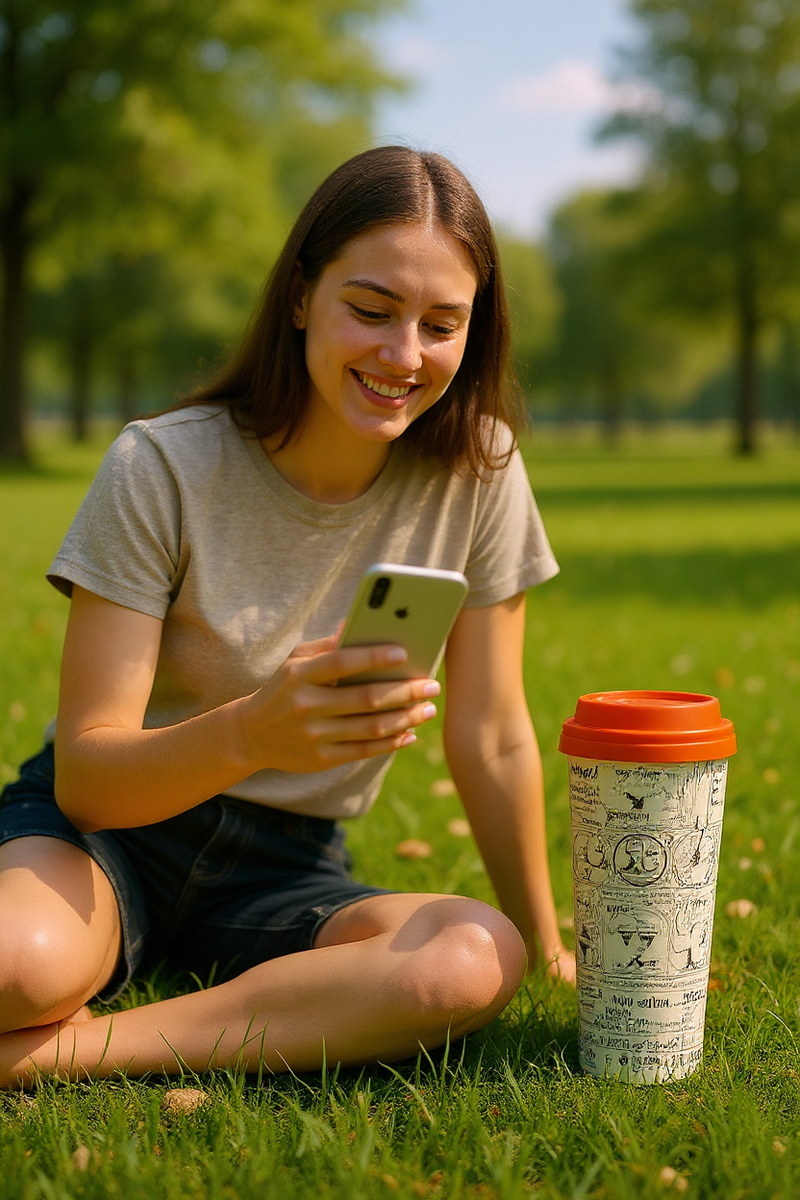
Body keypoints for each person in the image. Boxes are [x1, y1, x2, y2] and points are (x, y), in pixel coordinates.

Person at [0, 146, 576, 1088]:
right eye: (371, 309)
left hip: (288, 869)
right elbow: (90, 781)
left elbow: (494, 734)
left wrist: (546, 944)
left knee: (471, 957)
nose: (403, 356)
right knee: (18, 967)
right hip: (110, 833)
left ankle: (62, 1056)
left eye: (442, 324)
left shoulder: (480, 470)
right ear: (302, 295)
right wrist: (254, 729)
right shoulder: (161, 466)